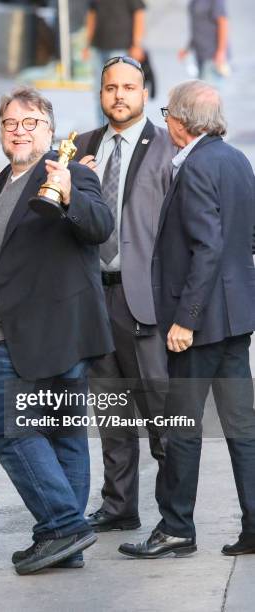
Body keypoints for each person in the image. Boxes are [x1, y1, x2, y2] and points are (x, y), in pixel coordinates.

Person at [0, 86, 114, 574]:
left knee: (8, 428)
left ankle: (64, 524)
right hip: (29, 334)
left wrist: (68, 192)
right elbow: (13, 226)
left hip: (33, 335)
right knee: (63, 434)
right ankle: (61, 539)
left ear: (49, 130)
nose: (19, 131)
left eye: (30, 123)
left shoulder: (70, 172)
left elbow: (100, 224)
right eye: (10, 123)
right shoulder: (8, 178)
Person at [119, 80, 255, 559]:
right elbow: (246, 238)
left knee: (181, 428)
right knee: (243, 429)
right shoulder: (237, 159)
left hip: (201, 327)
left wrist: (187, 320)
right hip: (236, 322)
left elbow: (208, 246)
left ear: (178, 121)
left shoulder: (195, 166)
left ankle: (177, 526)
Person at [75, 56, 176, 533]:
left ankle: (175, 516)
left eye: (128, 87)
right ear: (100, 94)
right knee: (110, 409)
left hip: (145, 302)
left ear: (144, 92)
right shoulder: (83, 146)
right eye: (110, 87)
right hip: (95, 297)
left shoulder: (166, 148)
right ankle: (119, 507)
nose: (119, 95)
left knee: (162, 411)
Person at [83, 0, 146, 122]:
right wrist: (87, 44)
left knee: (120, 93)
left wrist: (137, 44)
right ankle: (103, 132)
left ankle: (122, 130)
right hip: (98, 47)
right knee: (100, 92)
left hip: (121, 47)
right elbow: (91, 15)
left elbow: (139, 14)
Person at [179, 0, 229, 84]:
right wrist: (187, 49)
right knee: (200, 88)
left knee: (207, 92)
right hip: (199, 54)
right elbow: (197, 27)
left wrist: (221, 51)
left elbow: (223, 22)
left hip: (211, 54)